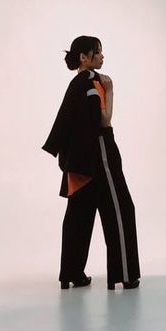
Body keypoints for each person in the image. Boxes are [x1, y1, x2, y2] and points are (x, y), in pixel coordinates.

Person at [42, 36, 141, 291]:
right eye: (97, 52)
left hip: (78, 159)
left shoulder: (75, 84)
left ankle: (71, 273)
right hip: (100, 150)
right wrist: (110, 91)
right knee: (120, 209)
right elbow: (103, 121)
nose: (102, 57)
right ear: (84, 58)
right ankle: (126, 275)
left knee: (80, 213)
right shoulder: (92, 82)